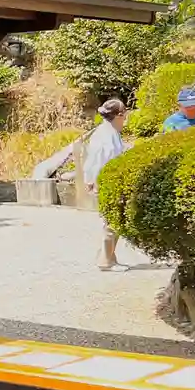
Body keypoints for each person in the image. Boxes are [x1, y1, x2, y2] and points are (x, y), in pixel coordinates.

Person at [83, 98, 128, 270]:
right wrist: (92, 181)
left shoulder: (109, 132)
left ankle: (108, 256)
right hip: (106, 182)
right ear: (118, 116)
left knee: (113, 221)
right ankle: (106, 260)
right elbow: (98, 161)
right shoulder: (106, 135)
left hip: (108, 181)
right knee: (112, 222)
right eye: (124, 114)